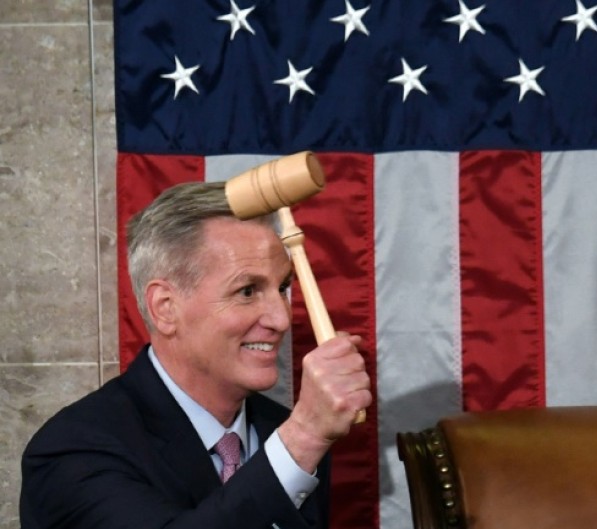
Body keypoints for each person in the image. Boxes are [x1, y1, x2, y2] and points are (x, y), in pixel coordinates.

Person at [20, 181, 372, 529]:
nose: (281, 319)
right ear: (166, 308)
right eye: (247, 291)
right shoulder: (71, 451)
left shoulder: (280, 432)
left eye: (281, 288)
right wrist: (304, 436)